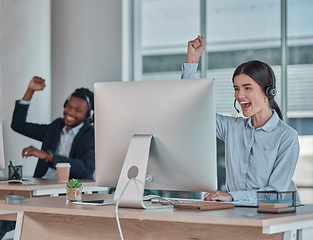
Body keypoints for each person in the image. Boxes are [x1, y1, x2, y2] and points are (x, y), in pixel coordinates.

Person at [182, 36, 300, 202]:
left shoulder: (286, 136)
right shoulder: (231, 128)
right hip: (235, 214)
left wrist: (232, 197)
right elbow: (191, 111)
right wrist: (192, 61)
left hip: (270, 217)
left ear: (268, 92)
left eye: (247, 88)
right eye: (236, 88)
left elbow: (275, 193)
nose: (239, 95)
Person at [11, 76, 95, 180]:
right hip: (43, 184)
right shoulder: (56, 126)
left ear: (88, 115)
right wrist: (30, 90)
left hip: (71, 190)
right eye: (69, 106)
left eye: (78, 110)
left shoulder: (91, 134)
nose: (70, 112)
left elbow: (86, 169)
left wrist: (49, 157)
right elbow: (19, 125)